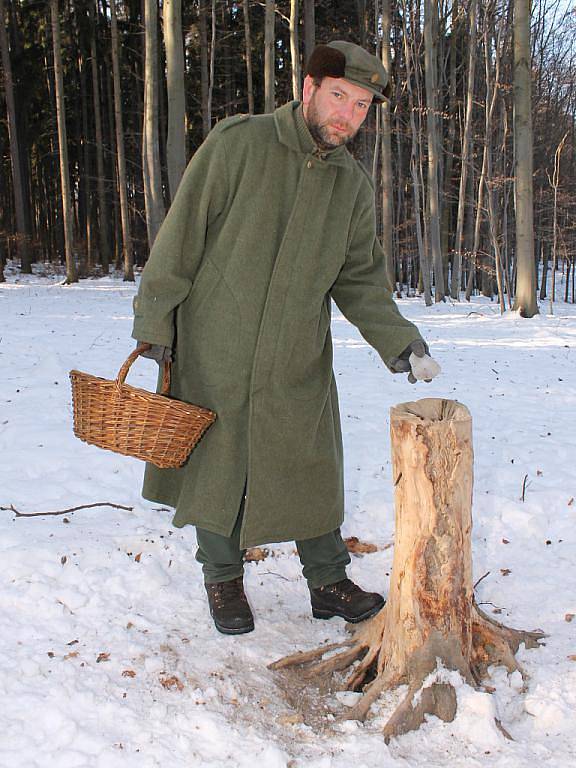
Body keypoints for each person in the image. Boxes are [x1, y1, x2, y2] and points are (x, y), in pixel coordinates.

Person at [131, 40, 440, 635]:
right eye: (339, 97)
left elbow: (360, 280)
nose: (348, 114)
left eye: (361, 106)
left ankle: (327, 582)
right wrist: (155, 322)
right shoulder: (238, 145)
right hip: (215, 342)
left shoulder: (349, 185)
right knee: (217, 460)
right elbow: (180, 237)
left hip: (296, 352)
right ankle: (222, 580)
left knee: (309, 462)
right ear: (308, 88)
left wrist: (400, 341)